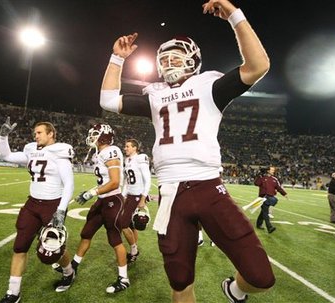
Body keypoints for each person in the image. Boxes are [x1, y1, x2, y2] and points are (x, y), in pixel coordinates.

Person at [99, 1, 275, 302]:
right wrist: (117, 58)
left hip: (209, 187)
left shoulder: (209, 86)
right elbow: (107, 100)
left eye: (175, 57)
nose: (168, 63)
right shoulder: (156, 95)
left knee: (260, 278)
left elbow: (259, 65)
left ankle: (233, 290)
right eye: (163, 59)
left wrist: (234, 15)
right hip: (171, 195)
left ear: (192, 59)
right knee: (180, 282)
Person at [0, 118, 76, 303]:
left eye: (40, 132)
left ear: (51, 134)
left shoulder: (60, 151)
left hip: (52, 204)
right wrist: (3, 137)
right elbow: (6, 156)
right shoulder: (32, 149)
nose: (36, 135)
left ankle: (69, 272)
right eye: (35, 133)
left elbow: (69, 183)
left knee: (53, 248)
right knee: (19, 246)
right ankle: (13, 293)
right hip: (32, 204)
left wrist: (61, 210)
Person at [59, 123, 130, 294]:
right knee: (86, 232)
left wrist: (90, 192)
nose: (92, 136)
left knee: (115, 239)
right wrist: (94, 194)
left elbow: (114, 182)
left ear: (104, 135)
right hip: (102, 200)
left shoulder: (111, 151)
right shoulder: (100, 153)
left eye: (95, 134)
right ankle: (74, 265)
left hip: (113, 200)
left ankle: (124, 278)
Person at [122, 138, 151, 263]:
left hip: (137, 196)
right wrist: (123, 195)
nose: (125, 148)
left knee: (122, 225)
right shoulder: (127, 160)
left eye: (128, 146)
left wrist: (143, 198)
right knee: (130, 225)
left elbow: (148, 180)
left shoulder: (140, 158)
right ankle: (134, 250)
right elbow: (127, 181)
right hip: (129, 195)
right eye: (125, 146)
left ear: (135, 148)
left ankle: (134, 250)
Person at [254, 166, 288, 233]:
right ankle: (269, 227)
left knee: (263, 212)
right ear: (268, 171)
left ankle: (258, 224)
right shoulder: (262, 178)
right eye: (272, 170)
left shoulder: (275, 179)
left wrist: (284, 194)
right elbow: (256, 183)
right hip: (263, 198)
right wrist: (259, 175)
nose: (273, 171)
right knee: (266, 212)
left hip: (270, 198)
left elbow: (279, 188)